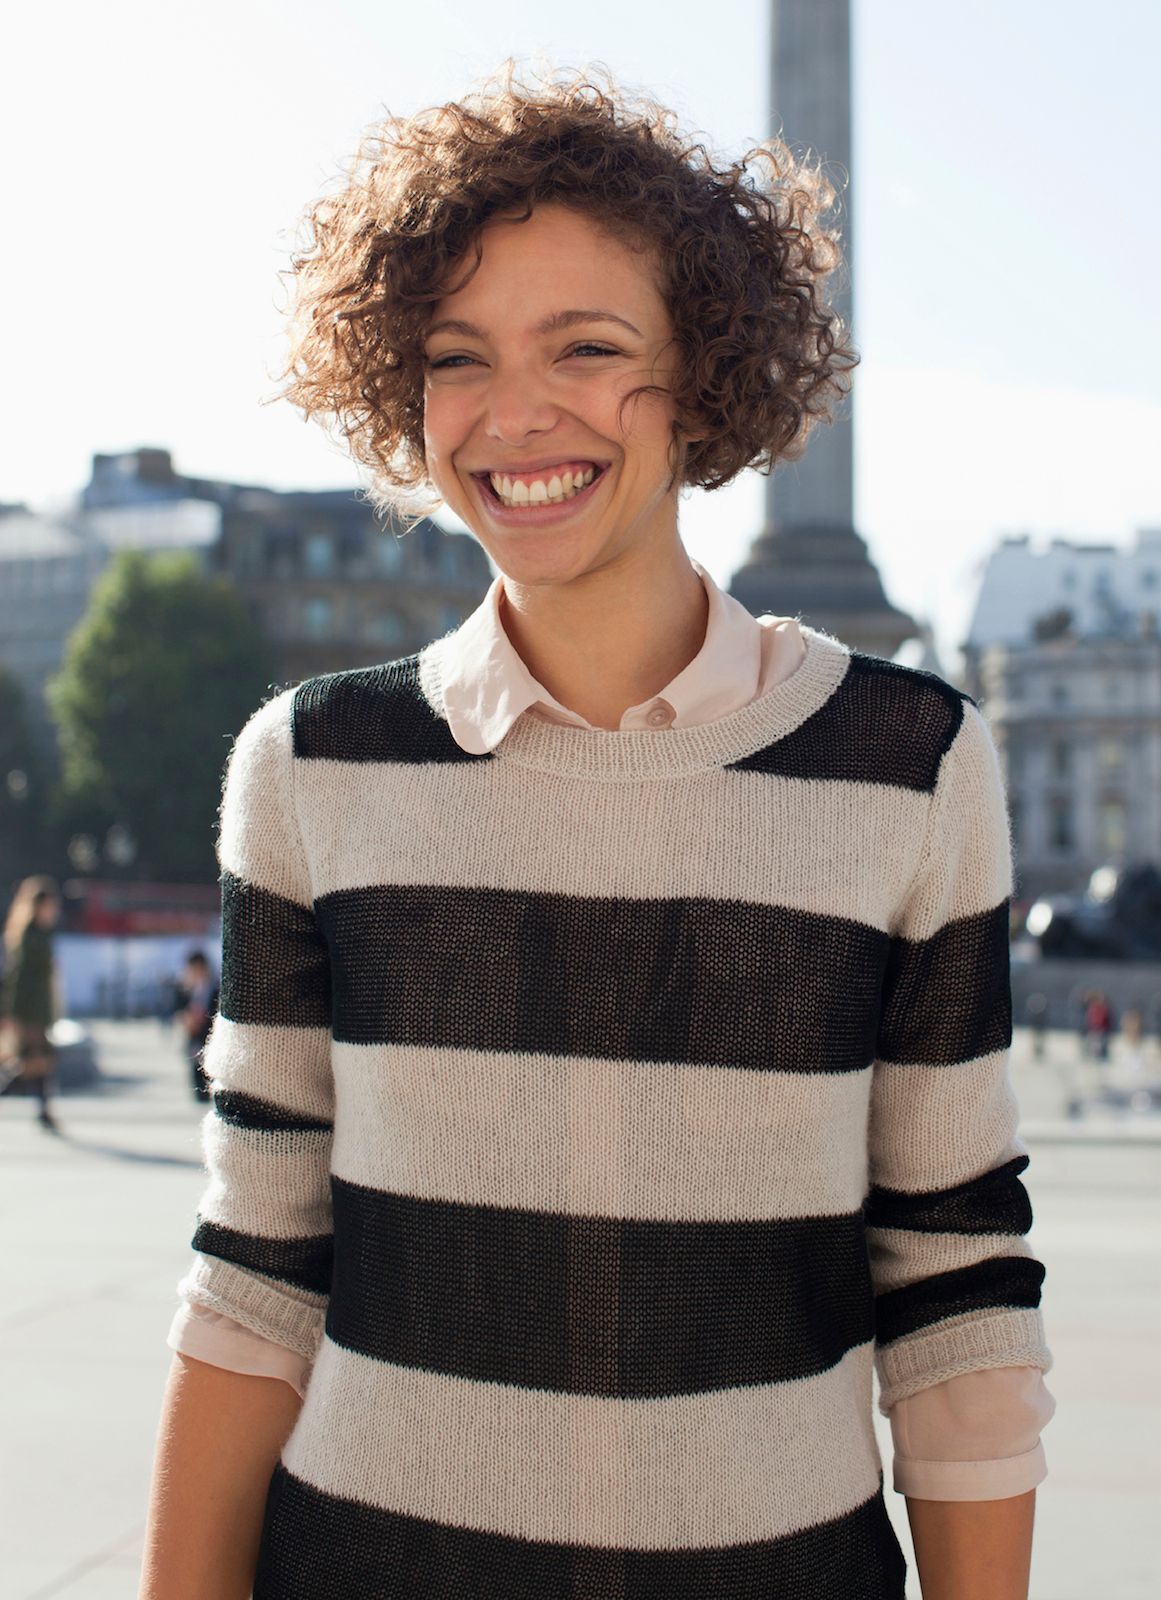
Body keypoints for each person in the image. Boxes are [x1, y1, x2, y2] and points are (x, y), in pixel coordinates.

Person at [141, 64, 1055, 1600]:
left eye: (589, 348)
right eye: (457, 357)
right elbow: (256, 1274)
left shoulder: (911, 764)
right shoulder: (309, 765)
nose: (514, 416)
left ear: (704, 377)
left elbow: (954, 1279)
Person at [0, 875, 63, 1133]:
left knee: (39, 1061)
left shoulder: (42, 933)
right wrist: (12, 1013)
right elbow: (19, 979)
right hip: (29, 1011)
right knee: (40, 1060)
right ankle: (9, 1084)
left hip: (38, 1010)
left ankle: (43, 1110)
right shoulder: (30, 936)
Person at [171, 949, 220, 1101]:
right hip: (194, 1041)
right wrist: (186, 1018)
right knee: (197, 1084)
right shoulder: (186, 989)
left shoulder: (216, 988)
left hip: (211, 1039)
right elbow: (177, 1008)